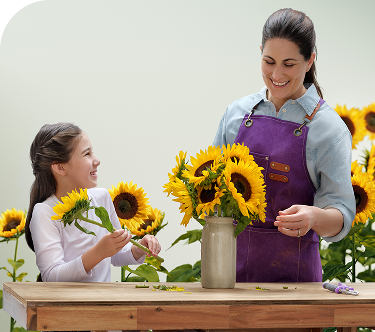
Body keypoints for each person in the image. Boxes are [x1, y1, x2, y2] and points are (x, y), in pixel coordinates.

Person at [213, 8, 355, 282]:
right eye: (269, 61)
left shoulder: (329, 128)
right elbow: (209, 188)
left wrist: (314, 217)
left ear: (310, 60)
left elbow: (343, 214)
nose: (277, 74)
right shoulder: (236, 114)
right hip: (229, 277)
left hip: (297, 285)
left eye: (289, 64)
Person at [25, 122, 161, 284]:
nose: (96, 160)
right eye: (86, 154)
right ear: (60, 167)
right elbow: (52, 275)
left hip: (103, 302)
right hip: (68, 307)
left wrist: (137, 249)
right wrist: (98, 252)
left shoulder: (101, 197)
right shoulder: (45, 212)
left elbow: (116, 253)